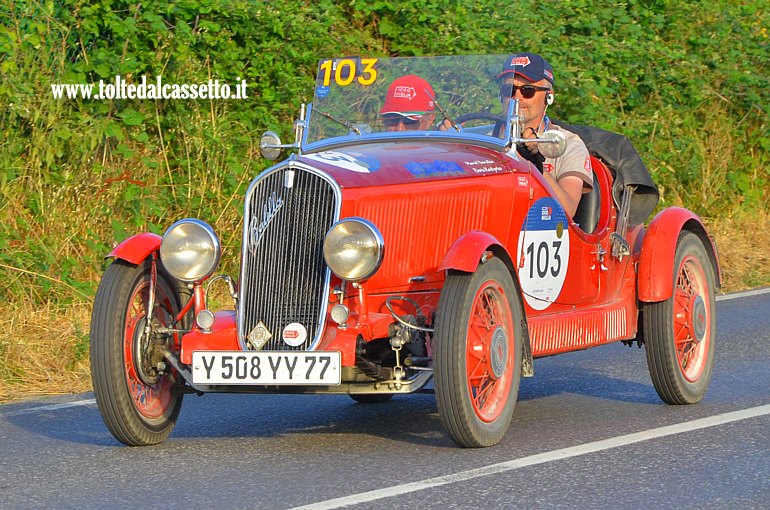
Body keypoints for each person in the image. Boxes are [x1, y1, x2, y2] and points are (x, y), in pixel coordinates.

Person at [499, 53, 593, 217]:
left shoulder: (568, 144)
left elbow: (568, 210)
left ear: (549, 96)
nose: (516, 97)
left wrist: (536, 166)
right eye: (509, 90)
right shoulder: (483, 138)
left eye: (528, 91)